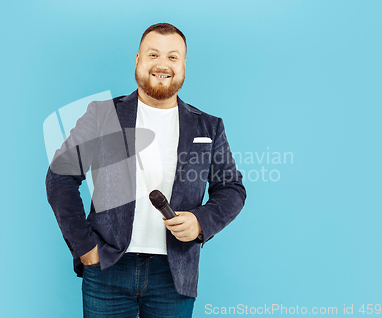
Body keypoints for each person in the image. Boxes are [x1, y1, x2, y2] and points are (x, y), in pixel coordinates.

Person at [46, 23, 246, 318]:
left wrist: (201, 222)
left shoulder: (208, 126)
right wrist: (84, 246)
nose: (162, 64)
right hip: (108, 269)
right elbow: (60, 178)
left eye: (173, 57)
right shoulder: (102, 115)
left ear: (184, 65)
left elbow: (231, 189)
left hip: (174, 274)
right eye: (153, 55)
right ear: (138, 59)